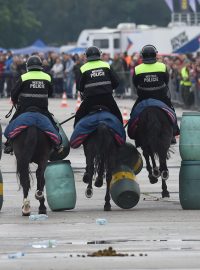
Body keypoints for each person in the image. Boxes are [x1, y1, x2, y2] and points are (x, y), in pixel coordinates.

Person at [4, 55, 62, 154]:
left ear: (28, 66)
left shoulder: (24, 77)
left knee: (11, 125)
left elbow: (14, 93)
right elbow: (51, 93)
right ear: (40, 66)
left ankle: (9, 144)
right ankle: (57, 145)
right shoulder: (47, 77)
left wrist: (15, 101)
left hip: (24, 110)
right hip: (42, 110)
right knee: (54, 127)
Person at [131, 44, 179, 143]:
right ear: (155, 55)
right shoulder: (162, 66)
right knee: (172, 111)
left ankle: (136, 136)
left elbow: (135, 83)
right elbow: (166, 80)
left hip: (143, 98)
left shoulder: (137, 68)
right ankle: (174, 132)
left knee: (133, 113)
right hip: (161, 97)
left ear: (142, 55)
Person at [74, 46, 123, 126]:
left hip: (90, 100)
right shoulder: (106, 65)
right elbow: (116, 82)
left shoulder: (83, 68)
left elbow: (79, 87)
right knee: (118, 116)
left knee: (78, 119)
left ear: (86, 56)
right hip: (107, 98)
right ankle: (121, 135)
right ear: (99, 55)